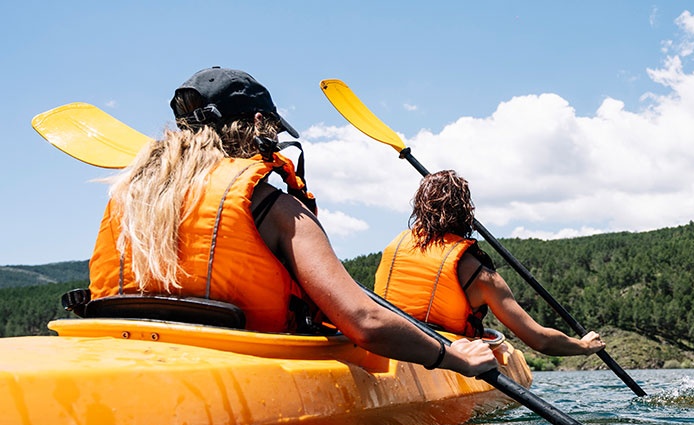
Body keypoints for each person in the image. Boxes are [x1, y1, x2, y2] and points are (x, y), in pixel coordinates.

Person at [87, 66, 495, 377]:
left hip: (121, 353)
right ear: (259, 127)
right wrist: (451, 355)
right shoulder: (274, 207)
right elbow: (366, 322)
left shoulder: (131, 195)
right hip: (248, 365)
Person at [375, 170, 606, 356]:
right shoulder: (479, 275)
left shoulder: (393, 248)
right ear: (468, 213)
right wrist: (584, 346)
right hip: (447, 352)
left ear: (419, 207)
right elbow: (540, 340)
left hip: (385, 342)